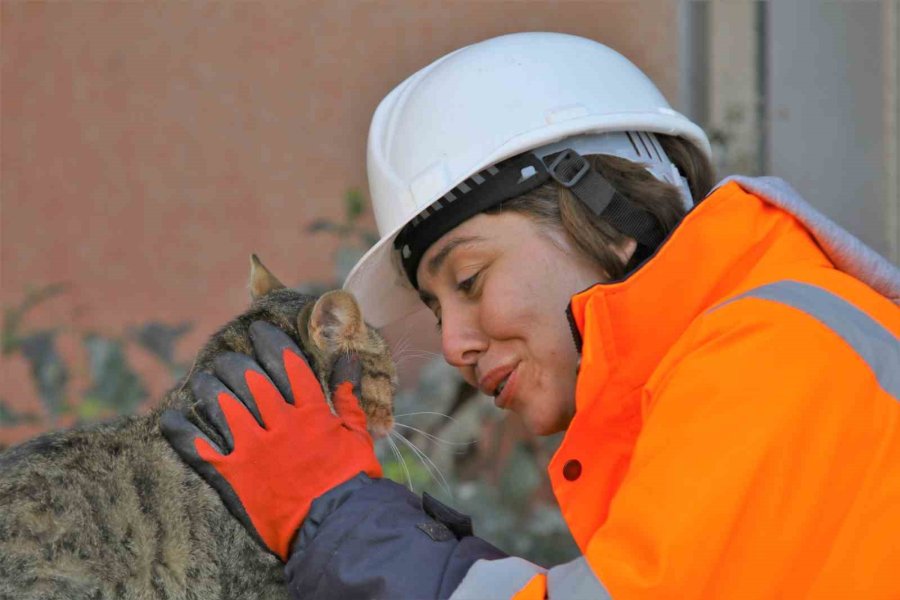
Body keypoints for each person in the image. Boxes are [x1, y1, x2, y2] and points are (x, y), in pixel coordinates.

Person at [161, 32, 900, 598]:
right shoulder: (747, 353)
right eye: (435, 305)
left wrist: (342, 522)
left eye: (471, 278)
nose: (452, 344)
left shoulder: (774, 354)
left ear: (604, 213)